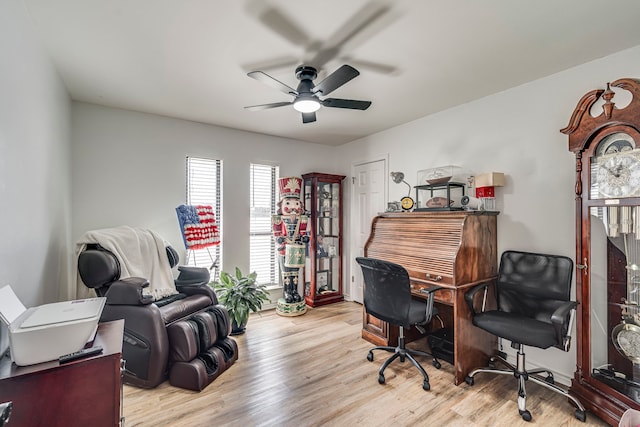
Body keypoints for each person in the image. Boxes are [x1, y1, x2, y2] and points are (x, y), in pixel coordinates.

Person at [272, 176, 309, 303]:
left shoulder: (302, 219)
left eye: (296, 203)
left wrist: (304, 237)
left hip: (297, 248)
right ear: (282, 205)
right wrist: (280, 240)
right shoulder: (278, 219)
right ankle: (287, 292)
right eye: (288, 203)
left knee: (295, 272)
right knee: (286, 272)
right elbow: (277, 234)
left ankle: (295, 291)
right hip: (284, 249)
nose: (293, 207)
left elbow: (303, 232)